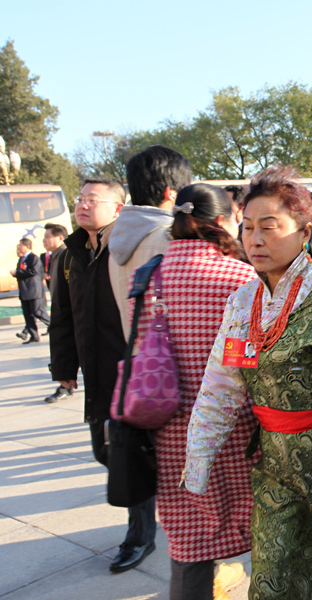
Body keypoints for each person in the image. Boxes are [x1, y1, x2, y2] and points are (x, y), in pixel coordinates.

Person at [184, 165, 312, 600]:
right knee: (274, 573)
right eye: (246, 227)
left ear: (303, 232)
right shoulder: (243, 301)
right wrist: (199, 455)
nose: (255, 239)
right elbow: (221, 383)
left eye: (269, 227)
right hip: (275, 466)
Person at [129, 183, 257, 600]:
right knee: (262, 533)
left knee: (188, 544)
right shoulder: (241, 276)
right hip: (237, 429)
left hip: (169, 430)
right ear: (222, 221)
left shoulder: (147, 277)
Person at [49, 178, 159, 573]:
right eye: (80, 198)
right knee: (106, 452)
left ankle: (140, 536)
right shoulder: (68, 255)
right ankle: (149, 515)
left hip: (130, 370)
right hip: (95, 374)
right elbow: (61, 316)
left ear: (118, 207)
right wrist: (64, 369)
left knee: (127, 455)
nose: (82, 205)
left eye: (92, 199)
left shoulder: (126, 250)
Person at [109, 145, 192, 340]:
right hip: (173, 361)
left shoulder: (118, 236)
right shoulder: (171, 238)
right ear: (170, 192)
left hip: (141, 361)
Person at [42, 223, 71, 403]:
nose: (45, 240)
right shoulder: (54, 256)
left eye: (48, 236)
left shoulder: (67, 255)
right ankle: (65, 385)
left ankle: (65, 386)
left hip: (68, 311)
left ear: (60, 238)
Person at [11, 237, 47, 343]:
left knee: (38, 312)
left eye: (20, 245)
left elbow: (33, 272)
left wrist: (17, 273)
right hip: (24, 291)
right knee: (28, 315)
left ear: (27, 246)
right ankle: (34, 336)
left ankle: (53, 325)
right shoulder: (22, 258)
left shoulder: (33, 258)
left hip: (33, 290)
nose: (18, 247)